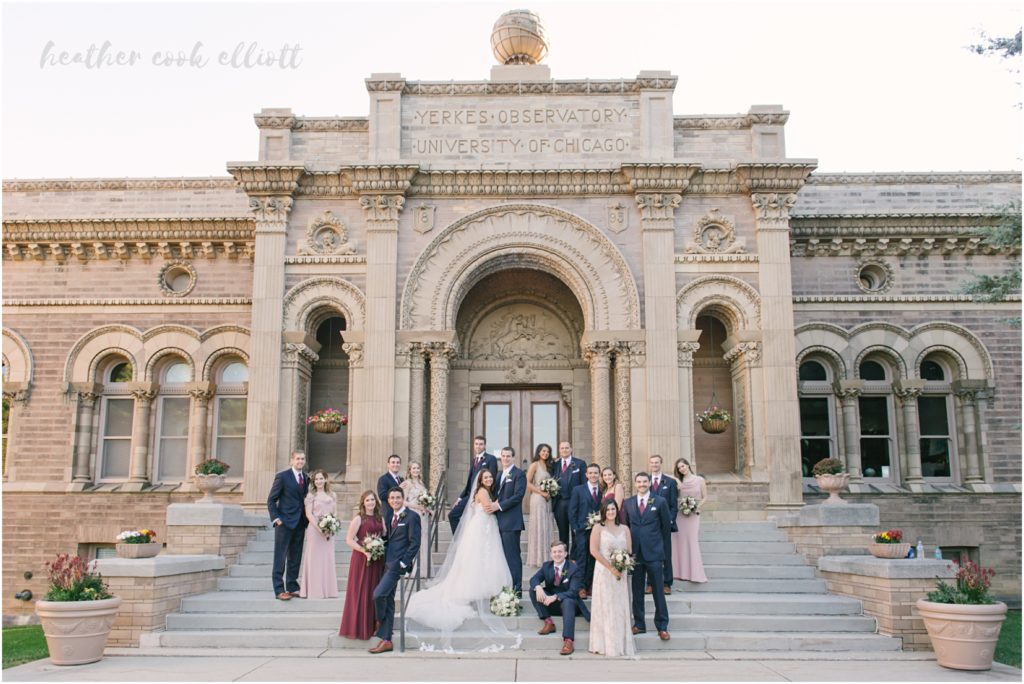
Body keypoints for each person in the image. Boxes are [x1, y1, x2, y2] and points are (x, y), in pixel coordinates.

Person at [404, 469, 517, 651]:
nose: (488, 479)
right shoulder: (482, 492)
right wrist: (501, 504)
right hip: (483, 527)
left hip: (485, 526)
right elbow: (488, 508)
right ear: (480, 480)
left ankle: (482, 584)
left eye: (490, 477)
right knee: (480, 557)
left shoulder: (486, 491)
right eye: (485, 477)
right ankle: (475, 587)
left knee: (484, 559)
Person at [368, 488, 422, 654]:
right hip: (386, 562)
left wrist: (404, 564)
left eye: (398, 498)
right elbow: (389, 539)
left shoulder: (412, 517)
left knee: (378, 594)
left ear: (403, 499)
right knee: (389, 601)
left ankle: (380, 621)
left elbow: (415, 543)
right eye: (392, 498)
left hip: (397, 565)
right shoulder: (390, 515)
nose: (395, 501)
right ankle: (387, 641)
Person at [621, 472, 671, 640]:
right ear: (635, 484)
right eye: (639, 482)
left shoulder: (660, 501)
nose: (642, 484)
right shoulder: (628, 503)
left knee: (658, 590)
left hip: (654, 553)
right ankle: (639, 624)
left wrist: (662, 552)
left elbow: (665, 528)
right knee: (637, 591)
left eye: (644, 481)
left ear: (649, 483)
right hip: (635, 554)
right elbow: (625, 528)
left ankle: (662, 625)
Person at [589, 499, 636, 657]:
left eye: (613, 509)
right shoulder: (598, 528)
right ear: (603, 511)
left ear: (617, 511)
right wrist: (610, 568)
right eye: (608, 509)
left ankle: (620, 643)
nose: (610, 512)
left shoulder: (624, 528)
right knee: (606, 606)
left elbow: (629, 549)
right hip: (604, 571)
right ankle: (606, 644)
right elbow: (594, 551)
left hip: (620, 572)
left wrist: (622, 562)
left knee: (619, 606)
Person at [529, 540, 591, 656]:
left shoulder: (573, 568)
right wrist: (538, 587)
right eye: (555, 552)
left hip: (571, 605)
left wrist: (556, 596)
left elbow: (573, 592)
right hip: (552, 604)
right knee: (533, 590)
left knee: (568, 601)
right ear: (551, 554)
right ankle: (548, 622)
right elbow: (534, 579)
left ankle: (568, 641)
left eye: (560, 552)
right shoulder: (546, 566)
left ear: (566, 554)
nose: (557, 554)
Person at [339, 491, 386, 640]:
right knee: (362, 590)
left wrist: (377, 545)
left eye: (372, 500)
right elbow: (349, 540)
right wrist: (365, 550)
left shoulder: (380, 518)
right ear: (363, 503)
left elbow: (383, 535)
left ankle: (373, 625)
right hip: (362, 560)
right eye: (367, 500)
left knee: (373, 591)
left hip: (377, 560)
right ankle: (358, 627)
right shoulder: (359, 518)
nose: (370, 502)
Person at [267, 451, 309, 600]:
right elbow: (271, 500)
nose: (300, 461)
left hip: (300, 523)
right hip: (284, 523)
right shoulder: (282, 477)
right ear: (292, 460)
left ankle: (292, 586)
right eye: (298, 459)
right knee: (280, 556)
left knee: (295, 556)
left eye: (303, 459)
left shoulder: (306, 478)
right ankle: (279, 590)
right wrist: (276, 518)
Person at [488, 446, 526, 596]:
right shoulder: (498, 475)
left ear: (513, 458)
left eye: (508, 456)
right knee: (501, 556)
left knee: (513, 556)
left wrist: (499, 505)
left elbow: (518, 495)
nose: (505, 458)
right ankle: (505, 585)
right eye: (503, 456)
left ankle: (517, 589)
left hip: (511, 522)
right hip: (498, 521)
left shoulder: (519, 474)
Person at [298, 469, 339, 599]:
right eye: (316, 479)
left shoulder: (332, 494)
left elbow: (335, 512)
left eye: (321, 478)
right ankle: (314, 590)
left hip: (329, 530)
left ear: (326, 479)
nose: (319, 481)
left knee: (327, 558)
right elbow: (309, 514)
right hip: (315, 530)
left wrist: (331, 525)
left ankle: (329, 590)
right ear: (313, 482)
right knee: (314, 558)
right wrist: (320, 528)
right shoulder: (311, 496)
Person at [449, 436, 497, 534]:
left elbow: (492, 479)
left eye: (481, 444)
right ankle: (461, 539)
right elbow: (469, 482)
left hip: (480, 496)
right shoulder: (474, 460)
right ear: (474, 445)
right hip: (468, 496)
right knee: (452, 515)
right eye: (476, 444)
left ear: (485, 446)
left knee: (474, 521)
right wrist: (460, 498)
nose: (478, 446)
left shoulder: (490, 459)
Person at [671, 458, 708, 583]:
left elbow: (705, 497)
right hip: (680, 515)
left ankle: (695, 573)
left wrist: (696, 506)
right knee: (678, 541)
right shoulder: (678, 481)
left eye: (683, 466)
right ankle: (679, 572)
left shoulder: (699, 480)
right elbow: (675, 498)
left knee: (691, 540)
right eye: (679, 468)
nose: (682, 469)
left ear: (688, 465)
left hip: (693, 515)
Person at [568, 463, 602, 597]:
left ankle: (590, 585)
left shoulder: (603, 490)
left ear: (599, 475)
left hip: (598, 530)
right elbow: (572, 510)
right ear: (586, 474)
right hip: (582, 530)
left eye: (596, 473)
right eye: (591, 473)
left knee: (594, 557)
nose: (593, 475)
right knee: (582, 558)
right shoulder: (578, 490)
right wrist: (575, 528)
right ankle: (580, 587)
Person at [647, 455, 678, 595]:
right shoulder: (644, 480)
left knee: (665, 554)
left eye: (657, 462)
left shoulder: (670, 482)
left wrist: (669, 520)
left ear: (661, 463)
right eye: (652, 462)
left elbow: (673, 505)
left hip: (664, 525)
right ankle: (650, 583)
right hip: (648, 525)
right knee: (648, 554)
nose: (654, 465)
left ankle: (666, 583)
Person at [526, 443, 557, 567]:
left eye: (548, 452)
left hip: (547, 500)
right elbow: (527, 483)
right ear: (538, 452)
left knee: (546, 525)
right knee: (538, 525)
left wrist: (549, 492)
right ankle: (537, 558)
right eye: (543, 451)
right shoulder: (535, 465)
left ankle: (547, 557)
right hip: (538, 498)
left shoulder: (549, 466)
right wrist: (541, 492)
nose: (545, 453)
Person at [551, 441, 586, 550]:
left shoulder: (580, 464)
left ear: (571, 449)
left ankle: (575, 559)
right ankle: (564, 558)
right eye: (562, 448)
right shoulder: (555, 465)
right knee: (563, 533)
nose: (564, 450)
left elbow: (584, 484)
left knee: (576, 532)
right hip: (560, 503)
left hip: (575, 503)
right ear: (559, 450)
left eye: (567, 448)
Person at [400, 461, 433, 578]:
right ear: (409, 470)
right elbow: (402, 501)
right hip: (413, 514)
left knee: (423, 540)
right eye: (413, 468)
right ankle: (412, 569)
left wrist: (427, 508)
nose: (416, 470)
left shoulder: (421, 483)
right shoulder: (406, 484)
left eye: (418, 468)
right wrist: (417, 507)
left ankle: (423, 569)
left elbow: (424, 500)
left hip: (423, 515)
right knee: (415, 540)